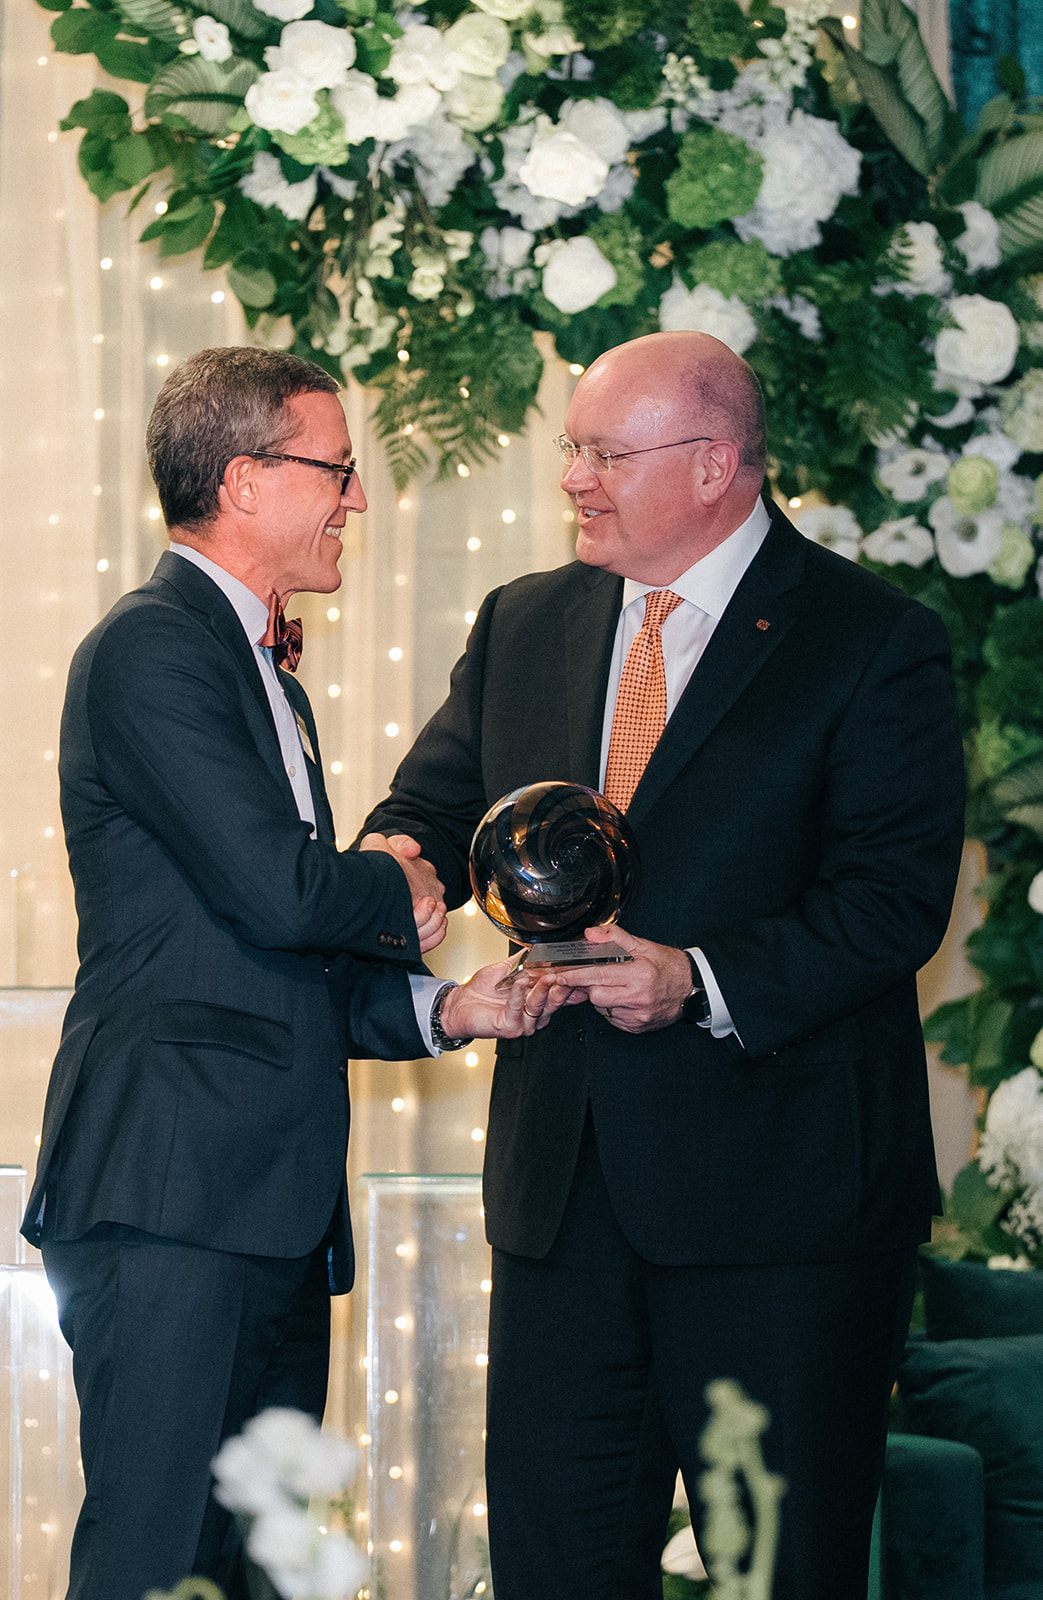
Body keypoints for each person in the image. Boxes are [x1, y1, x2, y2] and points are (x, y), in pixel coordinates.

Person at [359, 330, 967, 1599]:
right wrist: (392, 866)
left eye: (602, 453)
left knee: (777, 1573)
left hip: (781, 1217)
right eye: (569, 448)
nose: (572, 478)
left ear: (713, 465)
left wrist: (696, 977)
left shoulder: (870, 639)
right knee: (552, 1568)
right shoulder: (523, 619)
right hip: (561, 1202)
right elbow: (426, 802)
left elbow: (890, 900)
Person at [20, 346, 562, 1600]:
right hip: (171, 1192)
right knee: (158, 1563)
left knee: (265, 1568)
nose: (356, 500)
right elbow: (281, 891)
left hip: (260, 1200)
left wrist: (448, 1006)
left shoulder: (262, 671)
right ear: (246, 479)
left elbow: (261, 955)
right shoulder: (152, 650)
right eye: (337, 468)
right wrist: (406, 880)